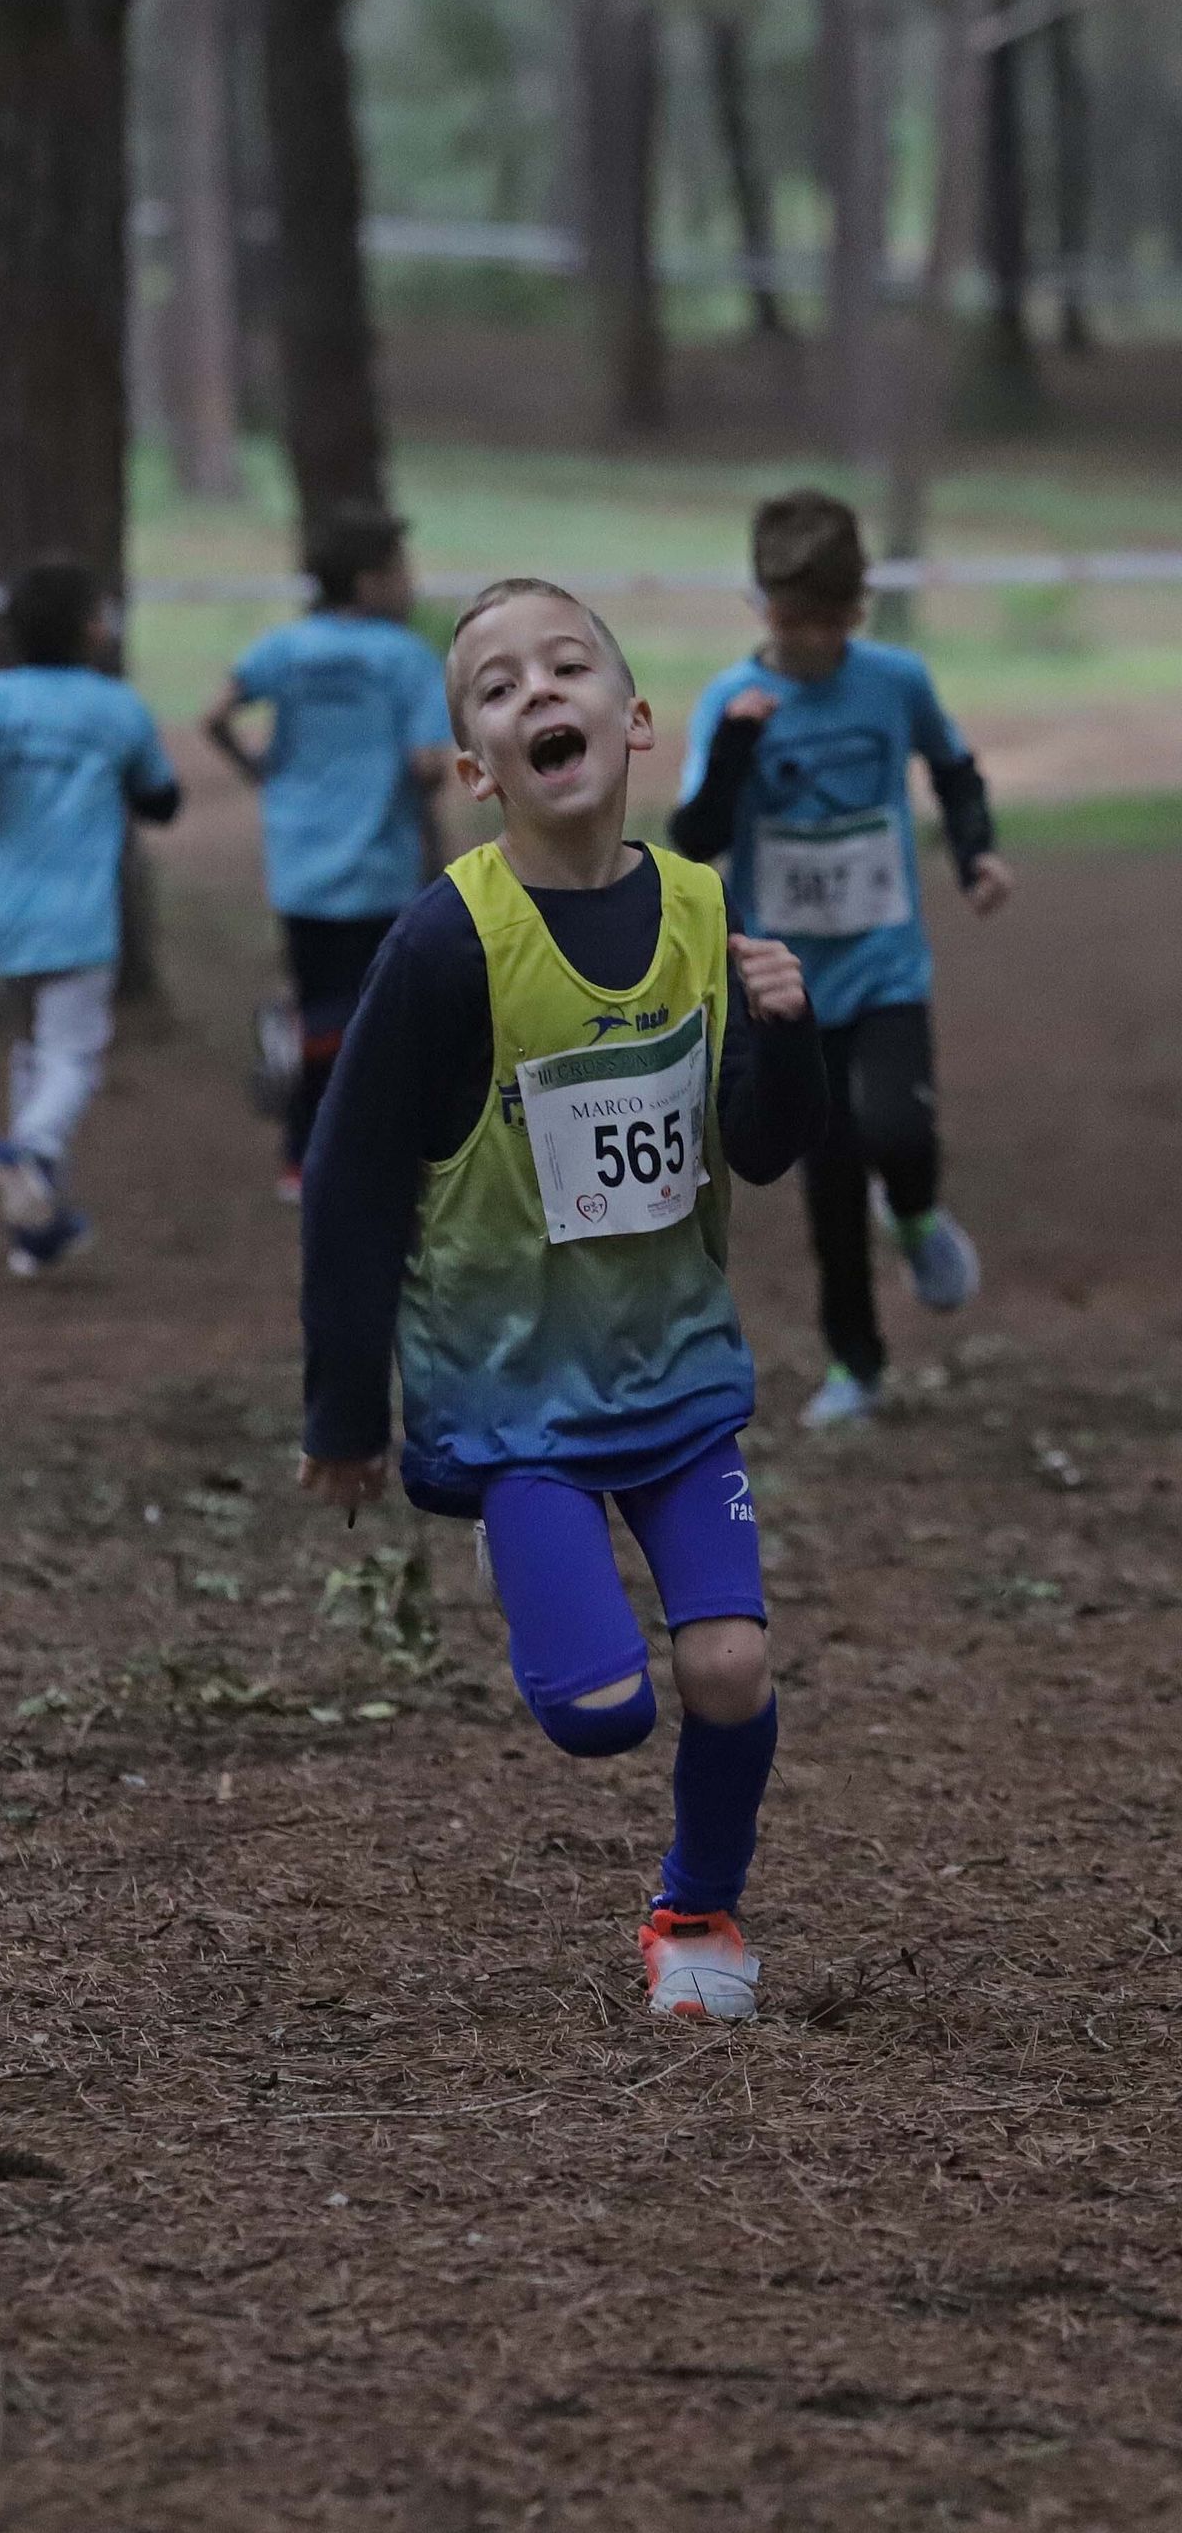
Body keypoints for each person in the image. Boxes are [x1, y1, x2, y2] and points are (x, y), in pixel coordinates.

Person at [298, 577, 827, 2023]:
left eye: (569, 666)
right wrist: (346, 1401)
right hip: (516, 1401)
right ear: (476, 769)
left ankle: (696, 1907)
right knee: (600, 1714)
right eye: (497, 685)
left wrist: (788, 1030)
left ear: (635, 718)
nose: (539, 693)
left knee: (729, 1663)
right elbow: (349, 1177)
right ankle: (531, 1550)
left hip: (675, 1383)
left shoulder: (706, 913)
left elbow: (764, 1147)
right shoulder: (446, 943)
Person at [671, 490, 1012, 1429]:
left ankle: (914, 1218)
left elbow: (953, 766)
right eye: (792, 620)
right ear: (761, 606)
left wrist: (975, 850)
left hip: (887, 964)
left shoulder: (895, 682)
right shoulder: (728, 704)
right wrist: (739, 742)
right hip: (787, 985)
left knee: (898, 1132)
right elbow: (693, 834)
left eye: (830, 622)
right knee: (826, 1183)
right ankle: (855, 1364)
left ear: (858, 611)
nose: (812, 641)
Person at [0, 559, 182, 1276]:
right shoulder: (115, 708)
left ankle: (34, 1228)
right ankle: (31, 1152)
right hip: (77, 917)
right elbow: (161, 799)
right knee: (71, 1057)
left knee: (29, 1056)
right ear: (91, 628)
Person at [202, 504, 453, 1197]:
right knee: (373, 1014)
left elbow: (214, 713)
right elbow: (429, 764)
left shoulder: (286, 649)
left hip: (298, 861)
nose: (411, 585)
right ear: (368, 582)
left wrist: (260, 771)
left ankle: (298, 1156)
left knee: (324, 998)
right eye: (401, 572)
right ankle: (366, 1149)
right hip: (378, 862)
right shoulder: (405, 658)